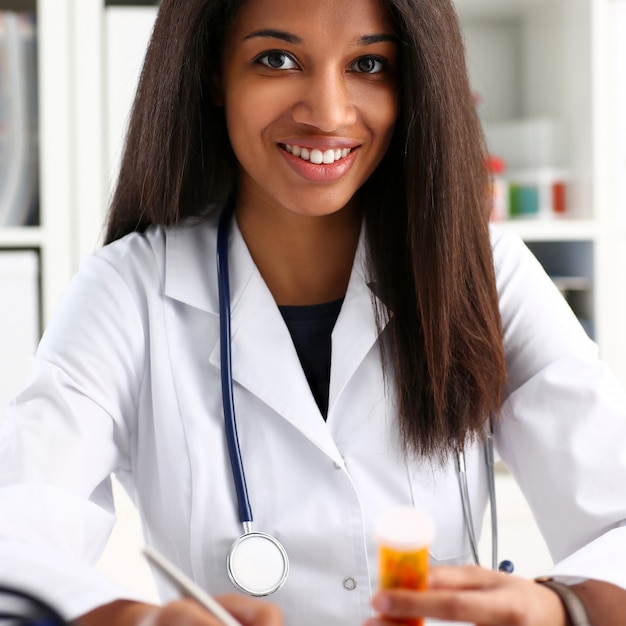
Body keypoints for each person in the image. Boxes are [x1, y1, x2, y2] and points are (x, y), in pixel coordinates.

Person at [0, 0, 625, 624]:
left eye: (369, 64)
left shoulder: (480, 271)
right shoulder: (127, 290)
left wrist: (561, 607)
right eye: (277, 59)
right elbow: (18, 534)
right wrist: (134, 621)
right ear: (214, 75)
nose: (328, 112)